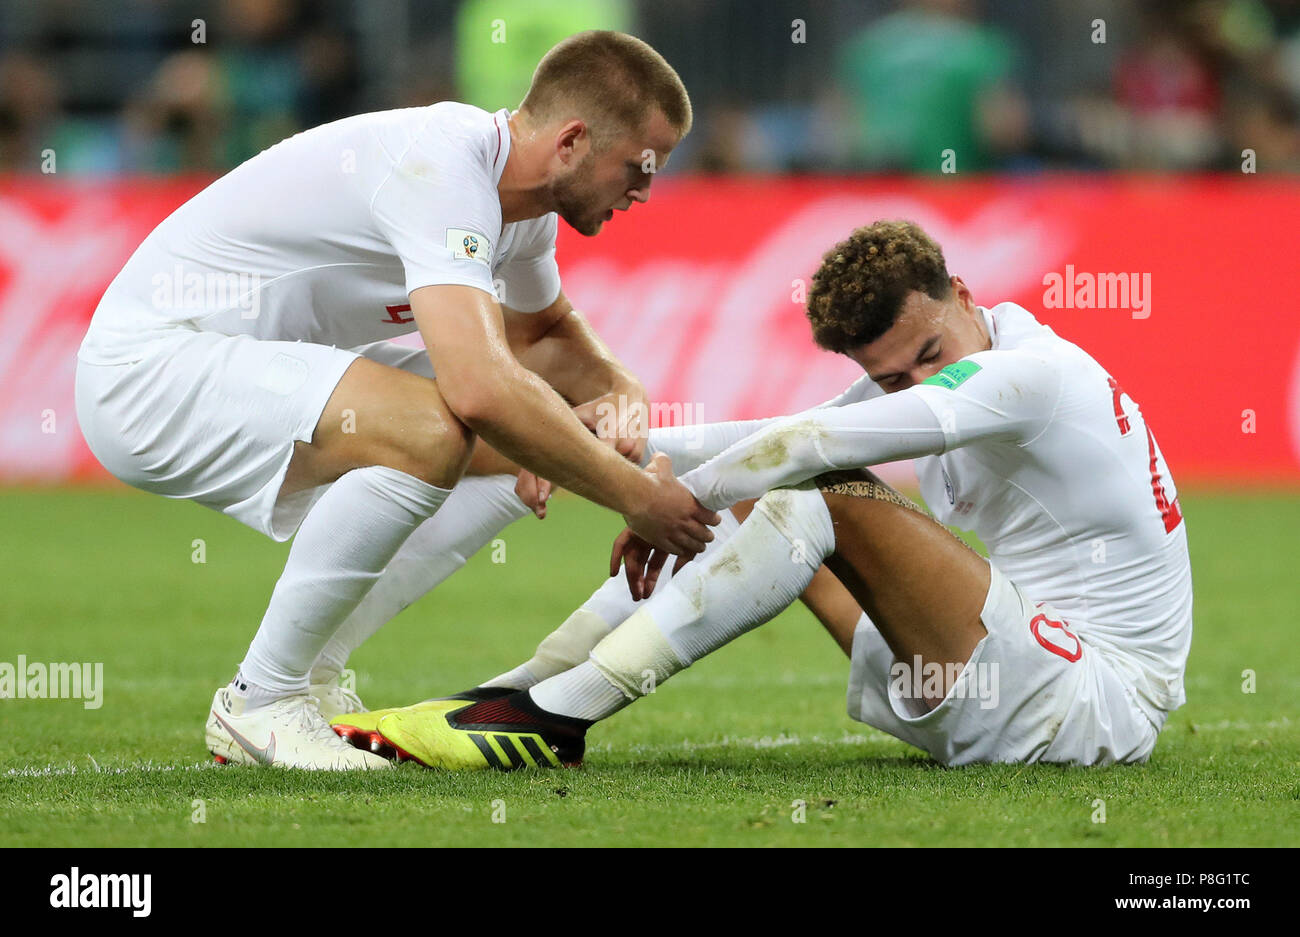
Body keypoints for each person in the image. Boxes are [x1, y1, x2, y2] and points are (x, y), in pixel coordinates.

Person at [74, 31, 719, 770]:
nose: (645, 190)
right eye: (640, 165)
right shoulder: (441, 167)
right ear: (572, 140)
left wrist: (616, 389)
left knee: (521, 456)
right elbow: (479, 388)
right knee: (446, 429)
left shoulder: (524, 206)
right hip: (149, 368)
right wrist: (635, 494)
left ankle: (309, 676)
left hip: (239, 361)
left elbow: (545, 337)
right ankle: (261, 698)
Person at [349, 219, 1192, 769]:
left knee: (813, 484)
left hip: (1093, 703)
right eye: (890, 376)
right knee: (772, 488)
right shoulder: (932, 375)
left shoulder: (1029, 376)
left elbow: (813, 451)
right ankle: (514, 691)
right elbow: (766, 433)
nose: (916, 383)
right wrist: (588, 454)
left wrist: (652, 501)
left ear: (964, 296)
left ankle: (555, 717)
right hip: (990, 675)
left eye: (931, 352)